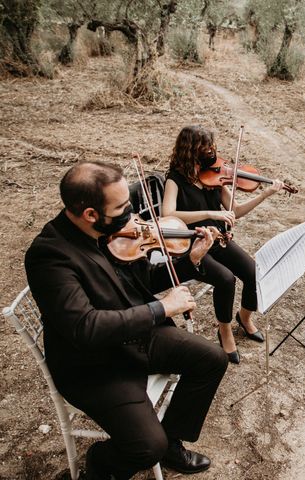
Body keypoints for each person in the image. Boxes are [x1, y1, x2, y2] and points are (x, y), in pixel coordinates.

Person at [25, 161, 228, 480]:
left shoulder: (110, 233)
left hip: (136, 335)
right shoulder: (50, 256)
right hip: (95, 365)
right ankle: (100, 464)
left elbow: (141, 281)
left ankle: (172, 441)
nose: (132, 214)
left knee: (212, 359)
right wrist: (162, 309)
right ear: (90, 214)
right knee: (145, 447)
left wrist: (190, 260)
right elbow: (85, 328)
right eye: (121, 207)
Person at [162, 125, 285, 364]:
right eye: (205, 147)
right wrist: (211, 213)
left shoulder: (215, 177)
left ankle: (245, 318)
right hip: (192, 244)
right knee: (225, 279)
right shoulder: (174, 179)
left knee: (252, 272)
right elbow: (168, 214)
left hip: (217, 239)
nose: (211, 152)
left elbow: (235, 211)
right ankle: (225, 330)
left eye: (212, 147)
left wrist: (264, 195)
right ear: (190, 150)